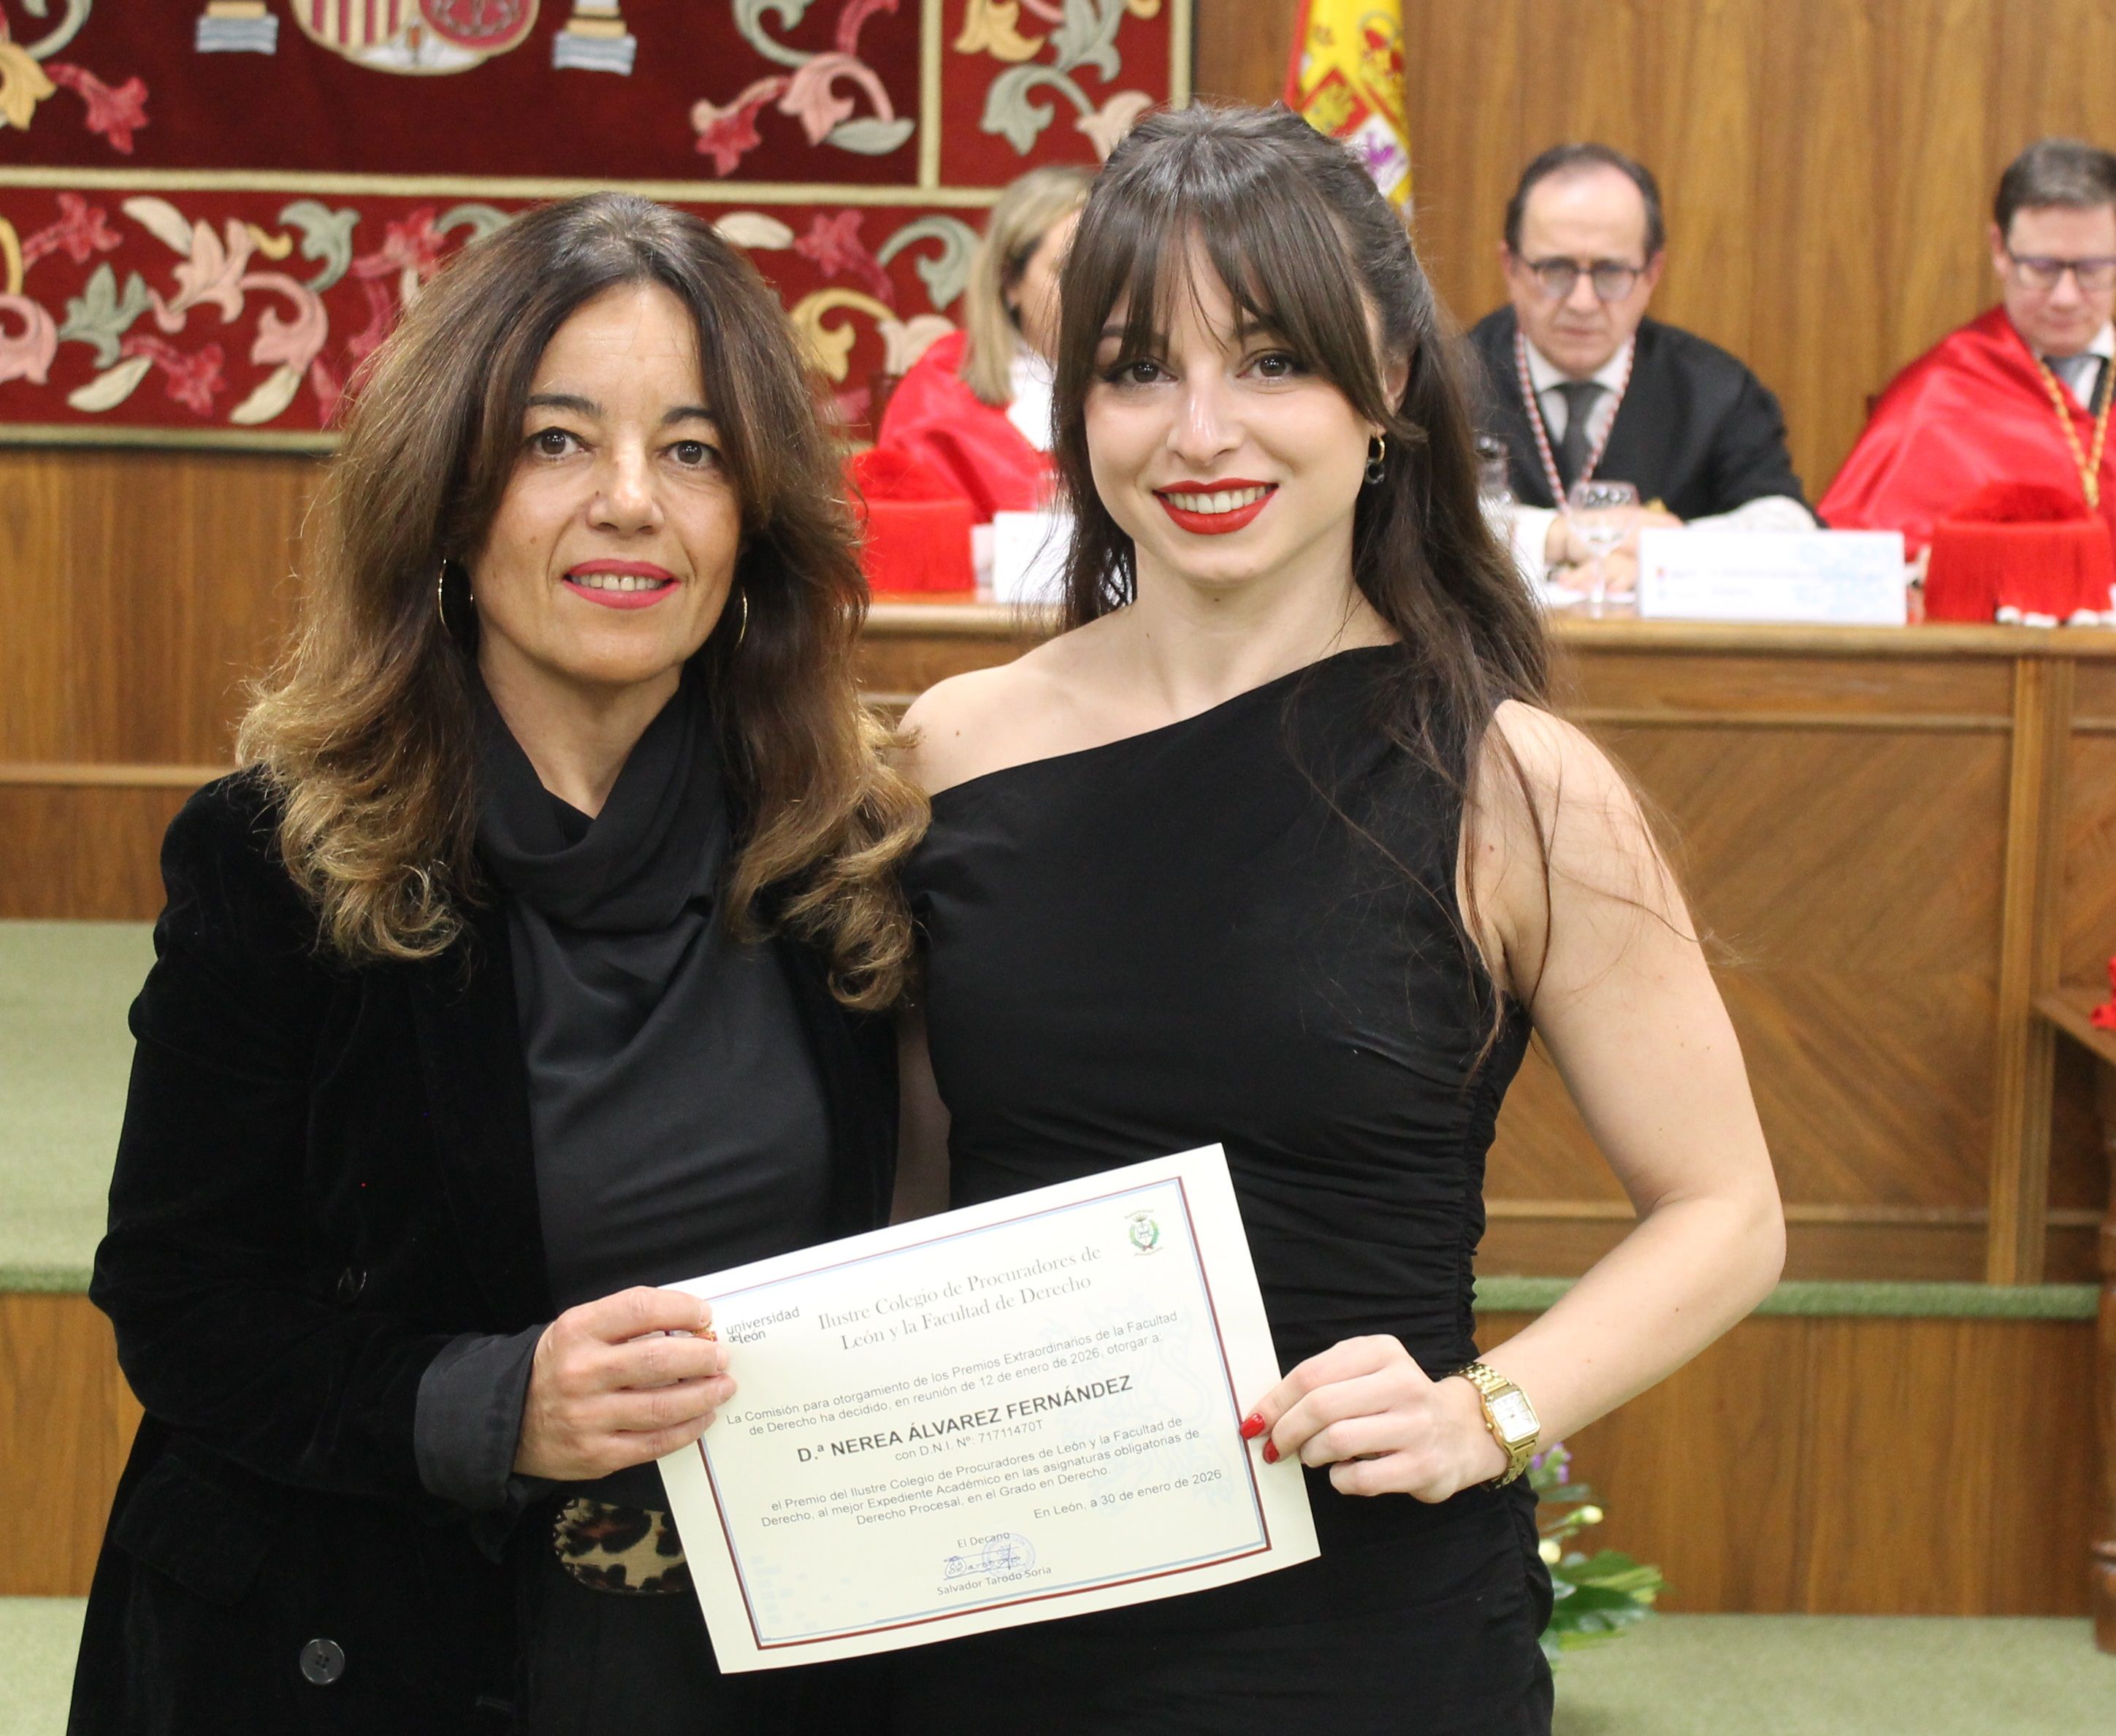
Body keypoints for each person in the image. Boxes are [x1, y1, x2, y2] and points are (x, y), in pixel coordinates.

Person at [891, 106, 1784, 1733]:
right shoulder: (955, 745)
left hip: (1366, 1624)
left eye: (1272, 363)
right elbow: (918, 1184)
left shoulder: (1515, 780)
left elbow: (1726, 1210)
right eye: (1139, 367)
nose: (1200, 431)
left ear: (1385, 393)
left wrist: (1483, 1413)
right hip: (1007, 1597)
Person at [66, 193, 925, 1736]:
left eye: (692, 450)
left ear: (755, 518)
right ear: (450, 496)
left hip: (756, 1660)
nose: (628, 503)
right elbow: (179, 1304)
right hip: (371, 1648)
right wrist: (494, 1406)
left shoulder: (844, 850)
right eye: (554, 442)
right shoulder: (276, 857)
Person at [1467, 142, 1813, 595]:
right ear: (1510, 267)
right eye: (1555, 270)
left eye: (1611, 272)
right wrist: (1556, 537)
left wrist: (1665, 555)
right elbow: (1397, 519)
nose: (1583, 302)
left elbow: (1791, 528)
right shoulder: (1442, 379)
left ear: (1652, 273)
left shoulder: (1714, 389)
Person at [1823, 138, 2116, 559]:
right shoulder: (1940, 391)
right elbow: (1856, 561)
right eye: (2042, 268)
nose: (2065, 297)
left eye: (2092, 269)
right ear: (1999, 250)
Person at [871, 167, 1094, 544]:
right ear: (1010, 283)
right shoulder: (939, 399)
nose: (1092, 293)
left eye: (1105, 272)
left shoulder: (1158, 385)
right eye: (1068, 271)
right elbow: (912, 548)